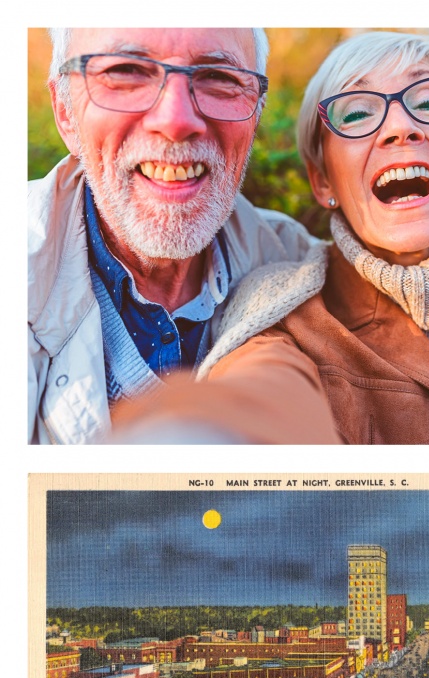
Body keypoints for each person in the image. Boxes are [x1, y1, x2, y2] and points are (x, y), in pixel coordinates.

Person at [193, 31, 429, 445]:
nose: (401, 127)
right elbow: (257, 403)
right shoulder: (278, 317)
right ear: (322, 181)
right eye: (356, 114)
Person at [28, 27, 338, 444]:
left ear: (256, 112)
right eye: (126, 72)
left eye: (219, 78)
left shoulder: (299, 266)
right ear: (65, 111)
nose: (175, 121)